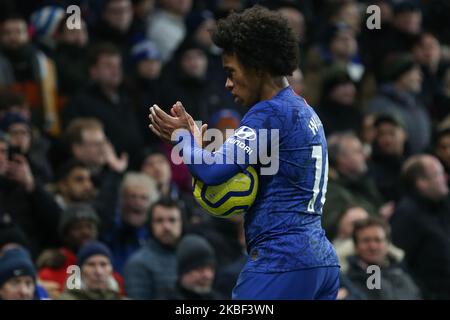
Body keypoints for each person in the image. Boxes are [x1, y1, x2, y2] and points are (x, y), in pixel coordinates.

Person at [149, 6, 339, 300]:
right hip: (320, 260)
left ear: (257, 67)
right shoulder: (302, 109)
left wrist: (181, 138)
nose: (227, 83)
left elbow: (212, 172)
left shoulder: (269, 112)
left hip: (282, 261)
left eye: (231, 72)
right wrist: (199, 143)